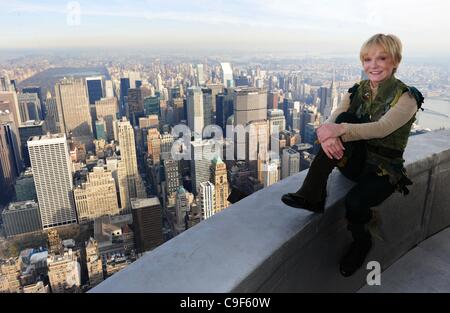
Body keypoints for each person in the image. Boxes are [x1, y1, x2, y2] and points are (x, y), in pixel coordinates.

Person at [281, 34, 424, 277]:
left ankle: (362, 242)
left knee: (355, 202)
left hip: (383, 171)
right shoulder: (357, 90)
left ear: (395, 61)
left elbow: (382, 128)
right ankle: (312, 195)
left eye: (381, 58)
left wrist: (339, 130)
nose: (373, 65)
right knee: (343, 119)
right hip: (356, 162)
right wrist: (328, 132)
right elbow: (336, 116)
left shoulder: (407, 97)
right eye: (367, 59)